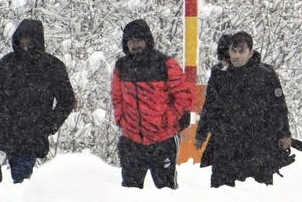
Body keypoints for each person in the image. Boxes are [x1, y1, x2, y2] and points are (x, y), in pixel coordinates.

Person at [0, 19, 76, 183]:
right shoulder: (7, 64)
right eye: (22, 37)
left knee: (21, 178)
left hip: (33, 134)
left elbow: (67, 100)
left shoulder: (52, 66)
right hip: (10, 131)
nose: (25, 42)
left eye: (30, 38)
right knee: (19, 180)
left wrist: (49, 125)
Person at [194, 31, 292, 187]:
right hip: (226, 143)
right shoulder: (220, 74)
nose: (236, 56)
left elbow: (278, 107)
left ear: (250, 52)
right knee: (220, 192)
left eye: (241, 51)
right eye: (233, 50)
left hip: (258, 143)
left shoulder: (265, 74)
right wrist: (201, 133)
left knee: (257, 192)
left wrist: (284, 133)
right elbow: (210, 106)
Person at [111, 19, 194, 188]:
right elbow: (117, 98)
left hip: (162, 140)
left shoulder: (165, 64)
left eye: (139, 40)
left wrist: (167, 121)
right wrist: (122, 120)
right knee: (129, 191)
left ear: (147, 40)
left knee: (166, 190)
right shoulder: (122, 66)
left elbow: (183, 97)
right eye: (131, 41)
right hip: (132, 140)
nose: (135, 45)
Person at [196, 33, 232, 169]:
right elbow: (209, 105)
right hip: (220, 132)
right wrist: (201, 134)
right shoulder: (217, 72)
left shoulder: (249, 74)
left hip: (240, 133)